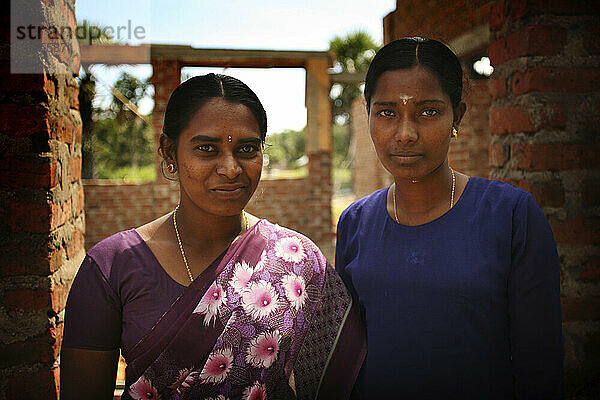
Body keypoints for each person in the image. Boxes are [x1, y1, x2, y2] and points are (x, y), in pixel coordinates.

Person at [61, 73, 365, 400]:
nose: (231, 168)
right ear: (168, 153)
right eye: (207, 148)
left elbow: (343, 379)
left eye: (247, 149)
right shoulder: (112, 267)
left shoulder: (297, 259)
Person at [335, 38, 563, 399]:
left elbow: (541, 367)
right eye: (386, 112)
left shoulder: (511, 216)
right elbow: (348, 359)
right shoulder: (355, 224)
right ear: (368, 116)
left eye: (428, 112)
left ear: (456, 115)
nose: (405, 133)